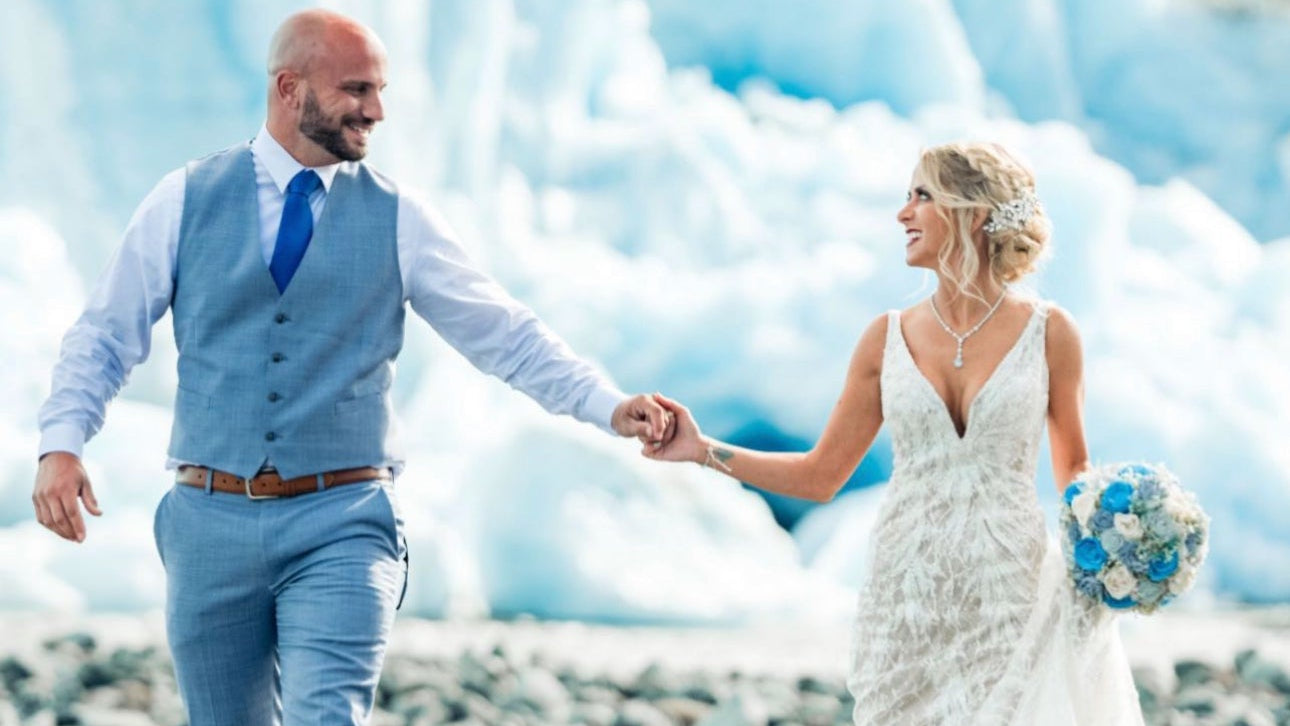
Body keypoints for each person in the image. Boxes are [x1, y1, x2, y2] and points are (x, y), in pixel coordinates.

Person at [31, 9, 673, 725]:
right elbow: (104, 336)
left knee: (326, 717)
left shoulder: (401, 218)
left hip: (344, 522)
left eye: (382, 89)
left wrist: (607, 405)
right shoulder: (183, 201)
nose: (377, 110)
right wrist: (62, 443)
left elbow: (506, 335)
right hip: (208, 523)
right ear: (288, 87)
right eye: (357, 89)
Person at [647, 142, 1145, 724]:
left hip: (1009, 586)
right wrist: (702, 450)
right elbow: (820, 475)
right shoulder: (883, 339)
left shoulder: (1051, 332)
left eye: (921, 196)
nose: (902, 213)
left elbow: (1073, 472)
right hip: (906, 592)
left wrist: (1127, 534)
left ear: (973, 214)